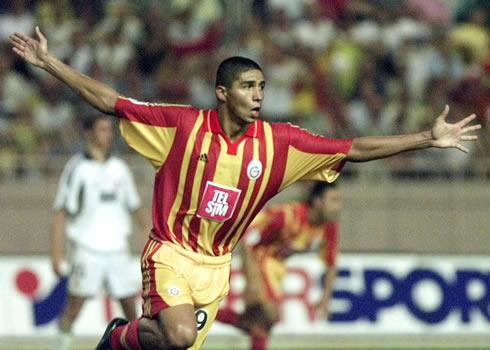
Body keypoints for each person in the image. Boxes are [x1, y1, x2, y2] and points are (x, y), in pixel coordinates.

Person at [10, 27, 481, 350]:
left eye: (262, 87)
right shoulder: (182, 126)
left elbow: (353, 147)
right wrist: (50, 62)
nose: (259, 95)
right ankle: (119, 337)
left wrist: (426, 137)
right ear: (222, 92)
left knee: (176, 342)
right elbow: (112, 101)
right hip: (170, 250)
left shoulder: (280, 144)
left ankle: (122, 336)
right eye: (249, 86)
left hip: (217, 266)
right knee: (174, 337)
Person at [50, 115, 148, 350]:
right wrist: (56, 253)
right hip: (87, 248)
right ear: (89, 132)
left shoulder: (119, 168)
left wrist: (146, 230)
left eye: (109, 130)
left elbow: (134, 205)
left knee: (130, 306)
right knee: (74, 305)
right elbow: (61, 211)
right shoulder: (77, 168)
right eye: (103, 129)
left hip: (117, 249)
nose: (108, 134)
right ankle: (60, 346)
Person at [216, 181, 342, 350]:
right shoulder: (287, 216)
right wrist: (252, 278)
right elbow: (248, 238)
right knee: (271, 314)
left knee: (258, 324)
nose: (338, 206)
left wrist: (325, 298)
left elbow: (331, 263)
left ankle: (203, 314)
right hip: (258, 259)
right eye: (333, 200)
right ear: (317, 201)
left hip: (277, 267)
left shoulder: (328, 228)